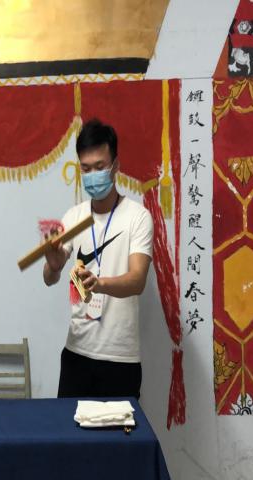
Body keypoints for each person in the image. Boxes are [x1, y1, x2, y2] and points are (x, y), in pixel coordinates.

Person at [43, 119, 153, 399]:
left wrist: (99, 283)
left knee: (119, 429)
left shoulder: (138, 217)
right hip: (76, 352)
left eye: (100, 167)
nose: (92, 175)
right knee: (68, 428)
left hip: (120, 358)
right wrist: (53, 265)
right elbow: (49, 277)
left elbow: (137, 280)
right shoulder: (74, 217)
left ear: (115, 166)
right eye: (86, 168)